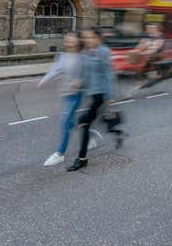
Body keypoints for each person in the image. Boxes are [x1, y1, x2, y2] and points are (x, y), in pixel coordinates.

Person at [67, 27, 116, 172]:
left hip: (101, 95)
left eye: (90, 37)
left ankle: (81, 159)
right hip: (92, 94)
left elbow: (108, 75)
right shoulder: (86, 53)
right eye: (85, 38)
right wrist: (79, 81)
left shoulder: (104, 52)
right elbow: (86, 73)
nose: (87, 40)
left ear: (98, 39)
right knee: (88, 124)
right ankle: (116, 133)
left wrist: (110, 98)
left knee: (83, 122)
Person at [38, 32, 84, 167]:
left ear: (77, 42)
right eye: (67, 40)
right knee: (69, 122)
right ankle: (89, 133)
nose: (69, 42)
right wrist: (43, 80)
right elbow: (55, 70)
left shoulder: (82, 57)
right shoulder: (62, 56)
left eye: (72, 40)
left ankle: (60, 153)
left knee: (64, 121)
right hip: (65, 94)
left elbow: (87, 75)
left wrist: (80, 81)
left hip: (76, 94)